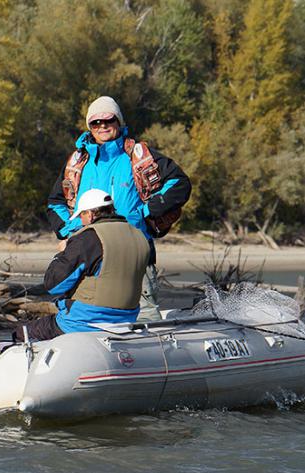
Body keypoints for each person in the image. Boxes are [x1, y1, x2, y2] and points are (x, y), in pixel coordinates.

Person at [47, 96, 191, 319]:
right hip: (86, 254)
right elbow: (55, 202)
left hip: (134, 254)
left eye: (108, 120)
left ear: (119, 122)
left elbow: (179, 184)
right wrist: (68, 231)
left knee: (145, 318)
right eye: (96, 122)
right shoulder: (77, 162)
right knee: (81, 315)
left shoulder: (138, 156)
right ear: (89, 127)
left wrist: (144, 213)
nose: (102, 126)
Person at [13, 189, 150, 342]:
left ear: (90, 214)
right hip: (127, 319)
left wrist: (62, 254)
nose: (81, 222)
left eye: (81, 216)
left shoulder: (88, 238)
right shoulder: (139, 235)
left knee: (21, 332)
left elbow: (53, 285)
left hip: (84, 322)